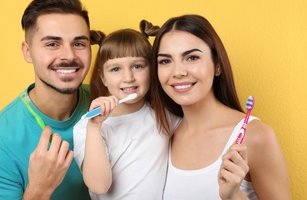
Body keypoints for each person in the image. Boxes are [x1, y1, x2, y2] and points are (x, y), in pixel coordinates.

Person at [149, 14, 291, 199]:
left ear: (217, 65)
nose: (178, 72)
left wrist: (233, 196)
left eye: (192, 58)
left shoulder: (256, 136)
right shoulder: (164, 134)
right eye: (165, 61)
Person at [0, 0, 95, 199]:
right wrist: (40, 188)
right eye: (52, 44)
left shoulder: (110, 103)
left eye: (79, 44)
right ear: (28, 52)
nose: (69, 56)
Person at [73, 21, 180, 199]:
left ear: (152, 70)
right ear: (103, 78)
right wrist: (94, 128)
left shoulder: (166, 117)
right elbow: (99, 186)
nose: (128, 77)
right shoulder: (86, 128)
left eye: (137, 66)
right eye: (115, 69)